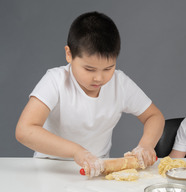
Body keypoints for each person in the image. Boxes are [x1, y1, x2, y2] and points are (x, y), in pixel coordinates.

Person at [15, 11, 165, 177]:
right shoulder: (55, 80)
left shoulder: (119, 83)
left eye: (109, 68)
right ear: (69, 54)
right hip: (49, 168)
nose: (99, 78)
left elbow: (154, 116)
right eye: (89, 69)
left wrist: (146, 144)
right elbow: (25, 130)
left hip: (97, 171)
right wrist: (76, 151)